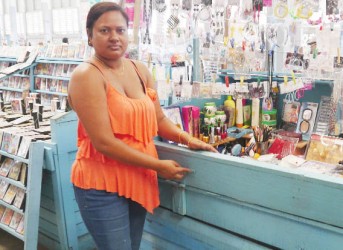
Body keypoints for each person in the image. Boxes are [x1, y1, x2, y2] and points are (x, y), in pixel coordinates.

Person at [67, 2, 217, 250]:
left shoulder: (140, 70)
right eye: (105, 30)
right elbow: (104, 142)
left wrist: (187, 138)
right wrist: (158, 166)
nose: (114, 37)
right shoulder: (87, 75)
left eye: (120, 30)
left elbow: (158, 120)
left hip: (136, 176)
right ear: (90, 36)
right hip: (101, 183)